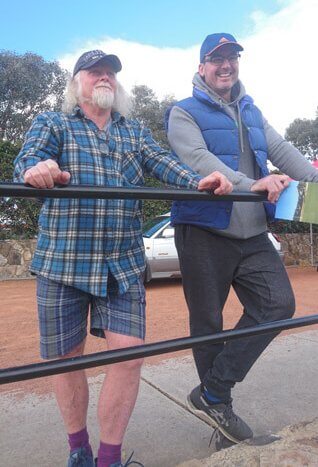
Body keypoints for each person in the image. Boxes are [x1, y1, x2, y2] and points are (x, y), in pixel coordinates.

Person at [14, 49, 232, 467]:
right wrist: (35, 168)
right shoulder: (53, 122)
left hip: (123, 263)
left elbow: (164, 163)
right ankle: (78, 450)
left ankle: (109, 459)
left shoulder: (133, 131)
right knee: (65, 359)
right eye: (95, 71)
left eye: (111, 72)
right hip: (62, 262)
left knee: (129, 354)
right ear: (75, 82)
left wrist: (199, 179)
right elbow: (30, 156)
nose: (105, 78)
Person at [166, 33, 318, 445]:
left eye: (232, 57)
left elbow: (284, 151)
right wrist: (253, 183)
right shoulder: (183, 112)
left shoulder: (252, 109)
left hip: (253, 232)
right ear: (202, 67)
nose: (226, 65)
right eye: (217, 59)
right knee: (208, 322)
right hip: (203, 231)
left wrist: (315, 179)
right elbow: (199, 160)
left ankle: (213, 393)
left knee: (278, 303)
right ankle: (221, 412)